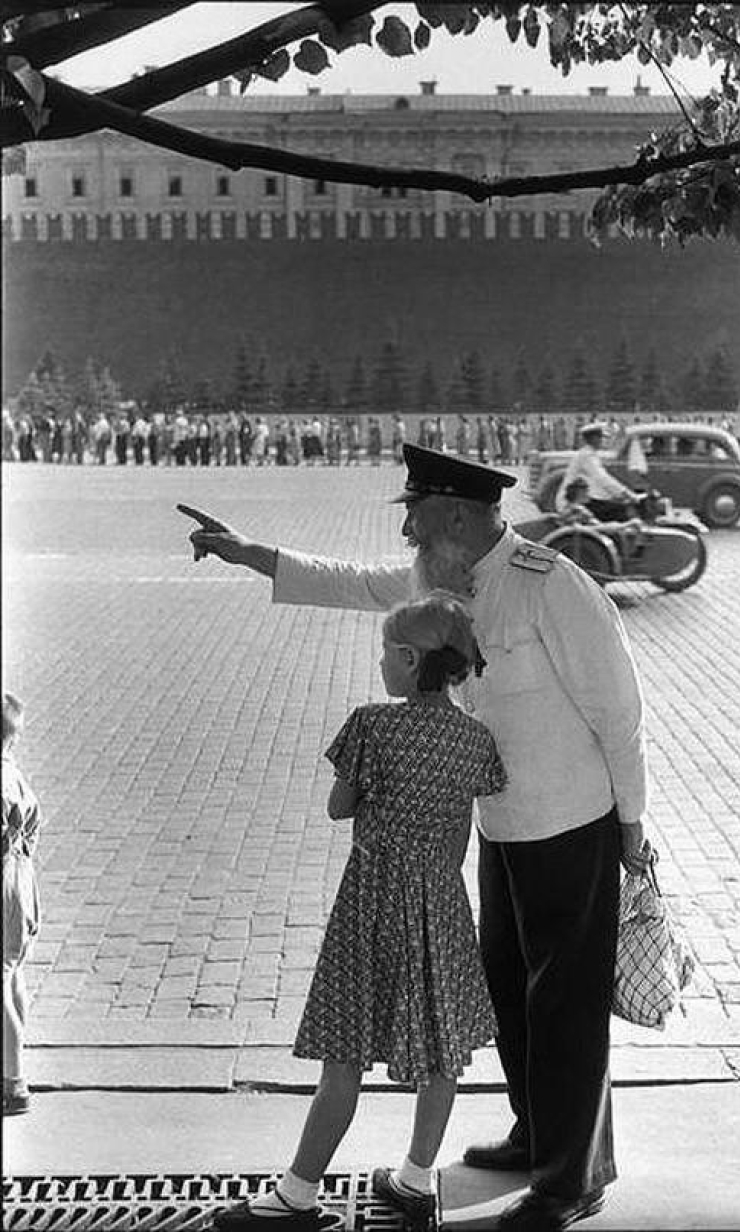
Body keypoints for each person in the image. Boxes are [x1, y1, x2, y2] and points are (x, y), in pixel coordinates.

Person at [184, 443, 651, 1232]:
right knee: (509, 988)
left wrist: (631, 826)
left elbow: (619, 712)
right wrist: (247, 552)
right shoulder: (442, 581)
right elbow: (349, 581)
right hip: (502, 827)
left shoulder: (552, 585)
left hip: (573, 823)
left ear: (462, 518)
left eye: (418, 520)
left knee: (564, 1003)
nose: (408, 538)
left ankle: (573, 1178)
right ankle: (536, 1130)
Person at [210, 593, 506, 1231]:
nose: (380, 664)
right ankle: (417, 1181)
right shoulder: (475, 739)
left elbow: (338, 808)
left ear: (407, 658)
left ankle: (298, 1192)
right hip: (441, 908)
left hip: (370, 903)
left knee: (343, 1053)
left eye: (384, 653)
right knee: (440, 1054)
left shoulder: (372, 725)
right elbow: (461, 833)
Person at [3, 693, 43, 1118]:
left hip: (1, 881)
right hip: (22, 880)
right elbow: (34, 825)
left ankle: (13, 1081)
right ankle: (12, 1060)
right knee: (14, 974)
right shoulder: (15, 776)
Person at [557, 421, 638, 521]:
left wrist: (618, 496)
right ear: (593, 438)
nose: (603, 440)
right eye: (601, 437)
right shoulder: (586, 456)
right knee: (621, 510)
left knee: (616, 505)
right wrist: (626, 493)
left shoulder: (590, 454)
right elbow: (602, 478)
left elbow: (599, 484)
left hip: (584, 498)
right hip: (573, 501)